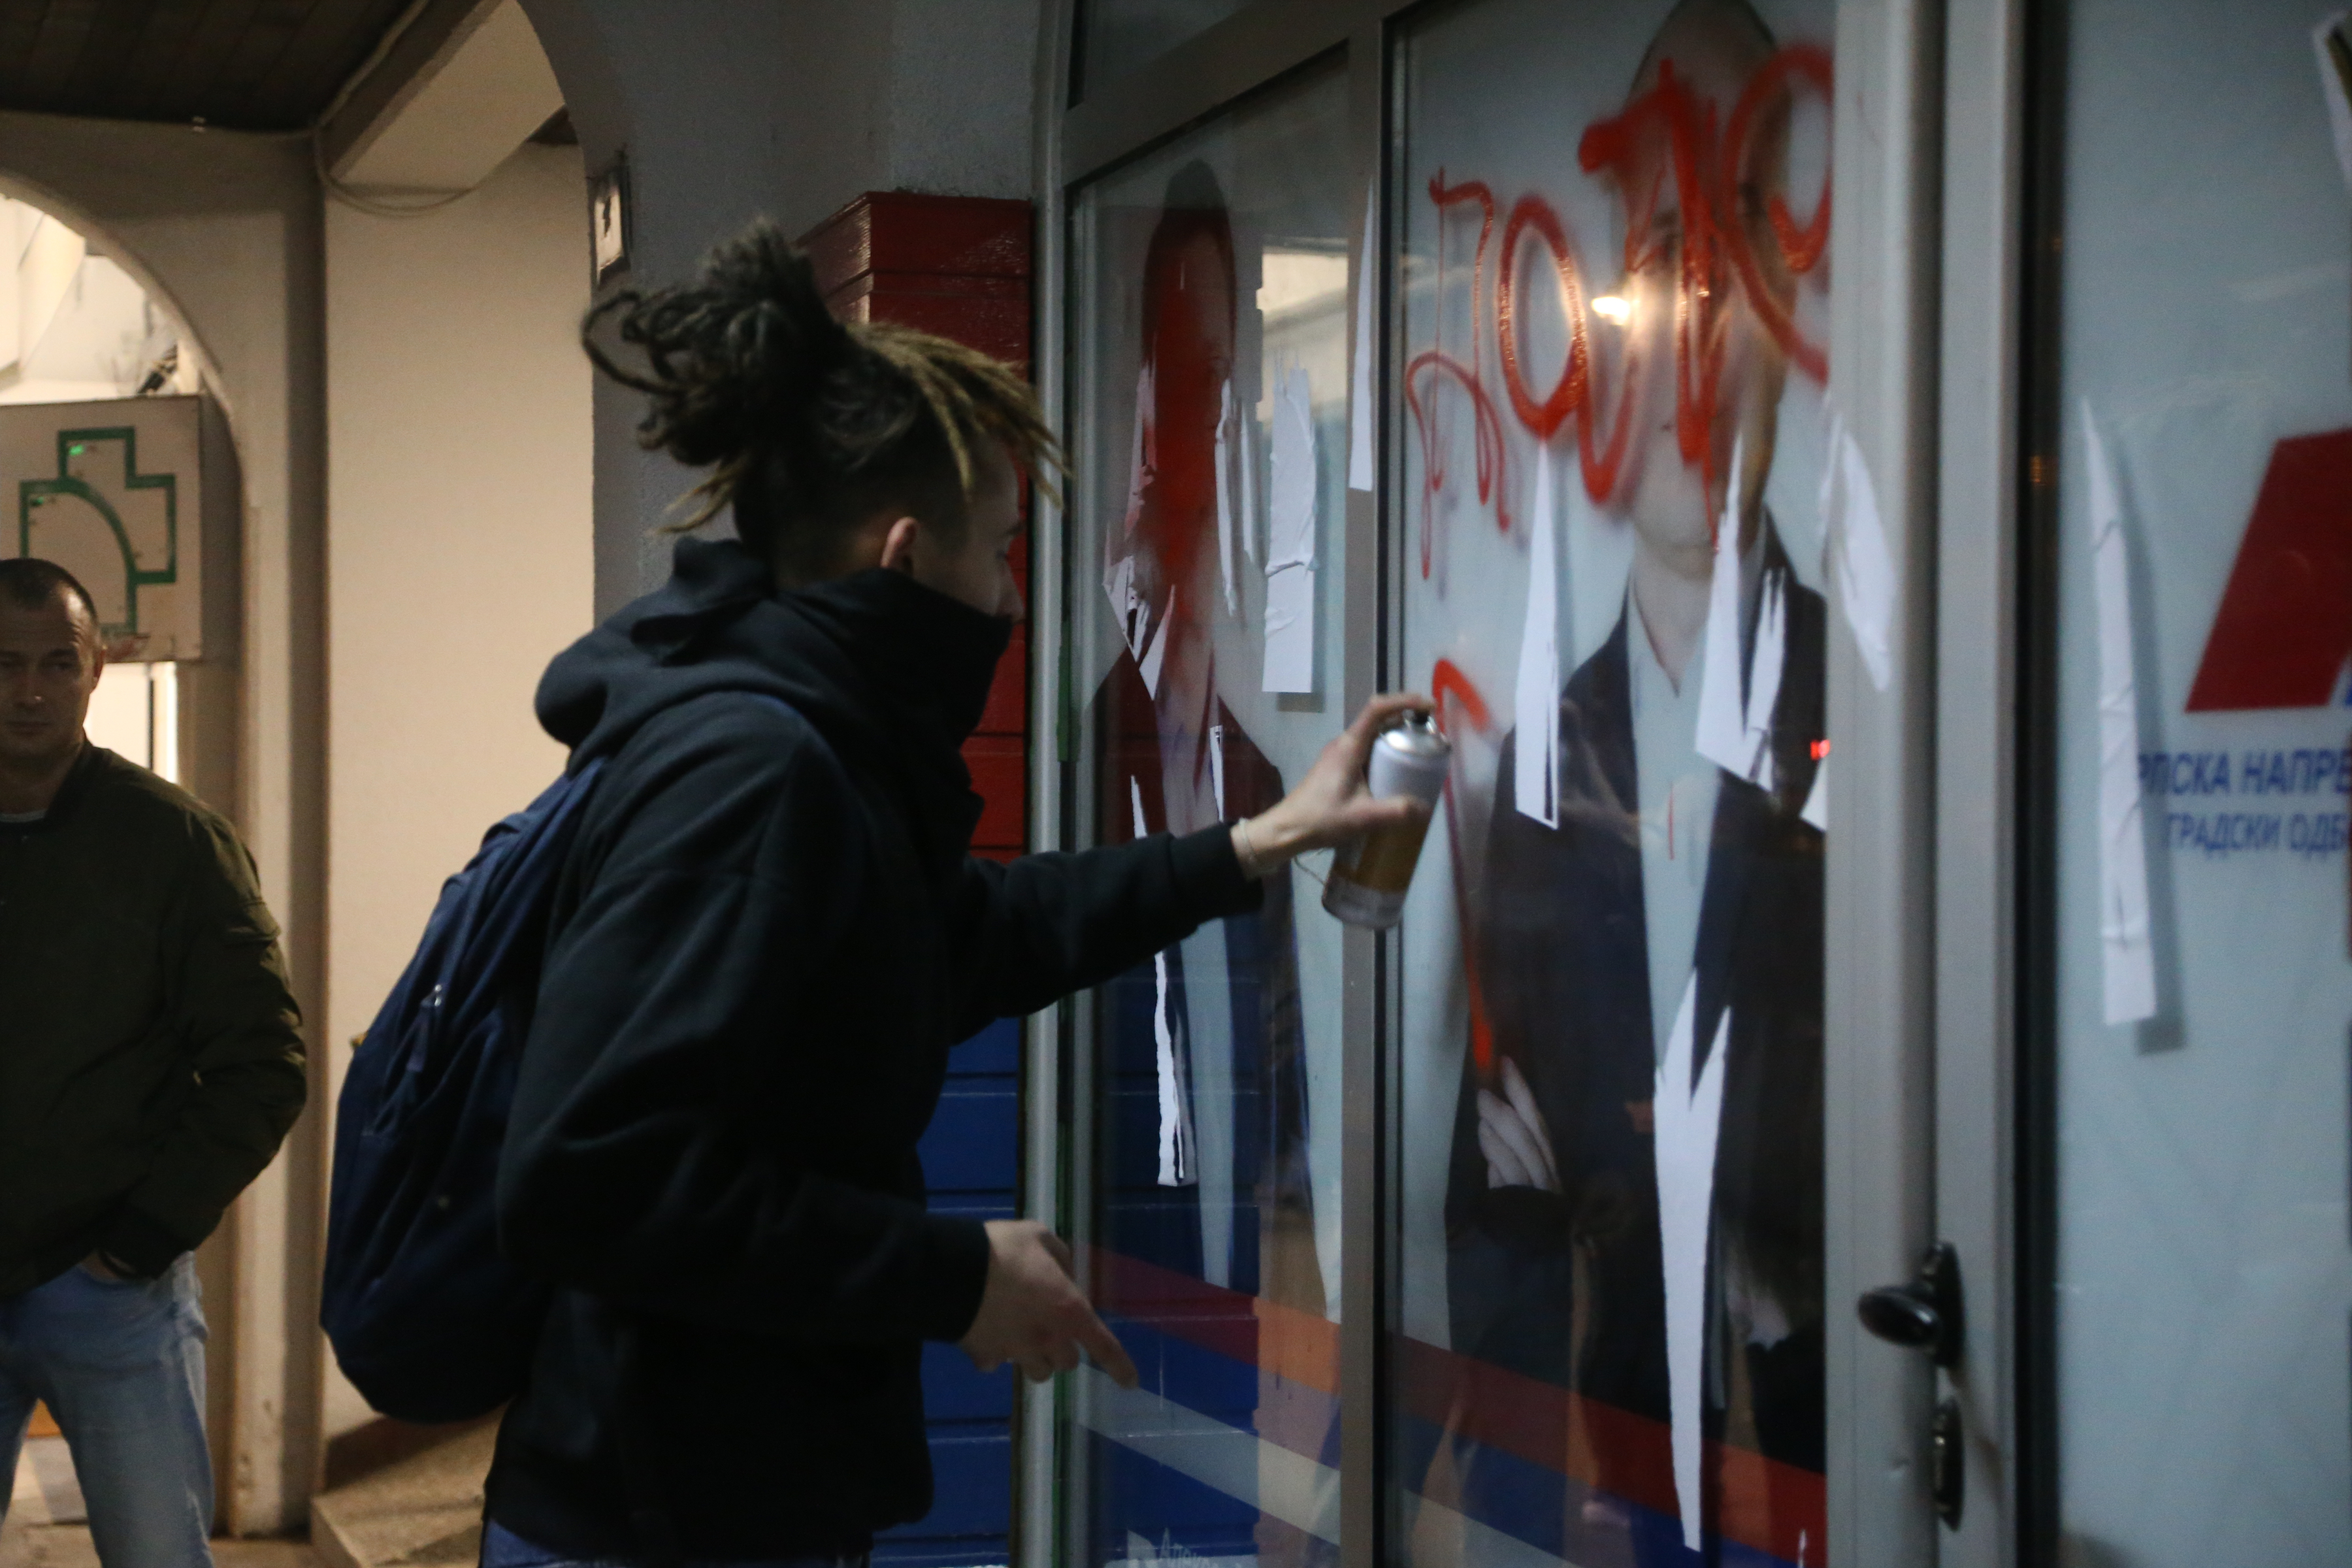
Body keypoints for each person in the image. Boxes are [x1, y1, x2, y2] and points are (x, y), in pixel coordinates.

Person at [481, 220, 1424, 1568]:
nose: (1009, 595)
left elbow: (961, 938)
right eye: (997, 552)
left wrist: (1253, 844)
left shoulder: (811, 739)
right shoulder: (757, 771)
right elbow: (588, 1175)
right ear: (907, 554)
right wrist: (953, 1275)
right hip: (663, 1521)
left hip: (727, 1494)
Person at [1444, 0, 1827, 1558]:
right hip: (1601, 1494)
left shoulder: (1886, 728)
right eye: (1666, 240)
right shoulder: (1525, 779)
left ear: (1792, 285)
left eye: (1743, 224)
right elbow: (1491, 1204)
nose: (1704, 297)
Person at [0, 557, 308, 1568]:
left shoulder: (174, 844)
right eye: (4, 664)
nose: (30, 689)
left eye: (56, 662)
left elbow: (264, 1061)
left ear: (99, 669)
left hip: (110, 1292)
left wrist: (142, 1239)